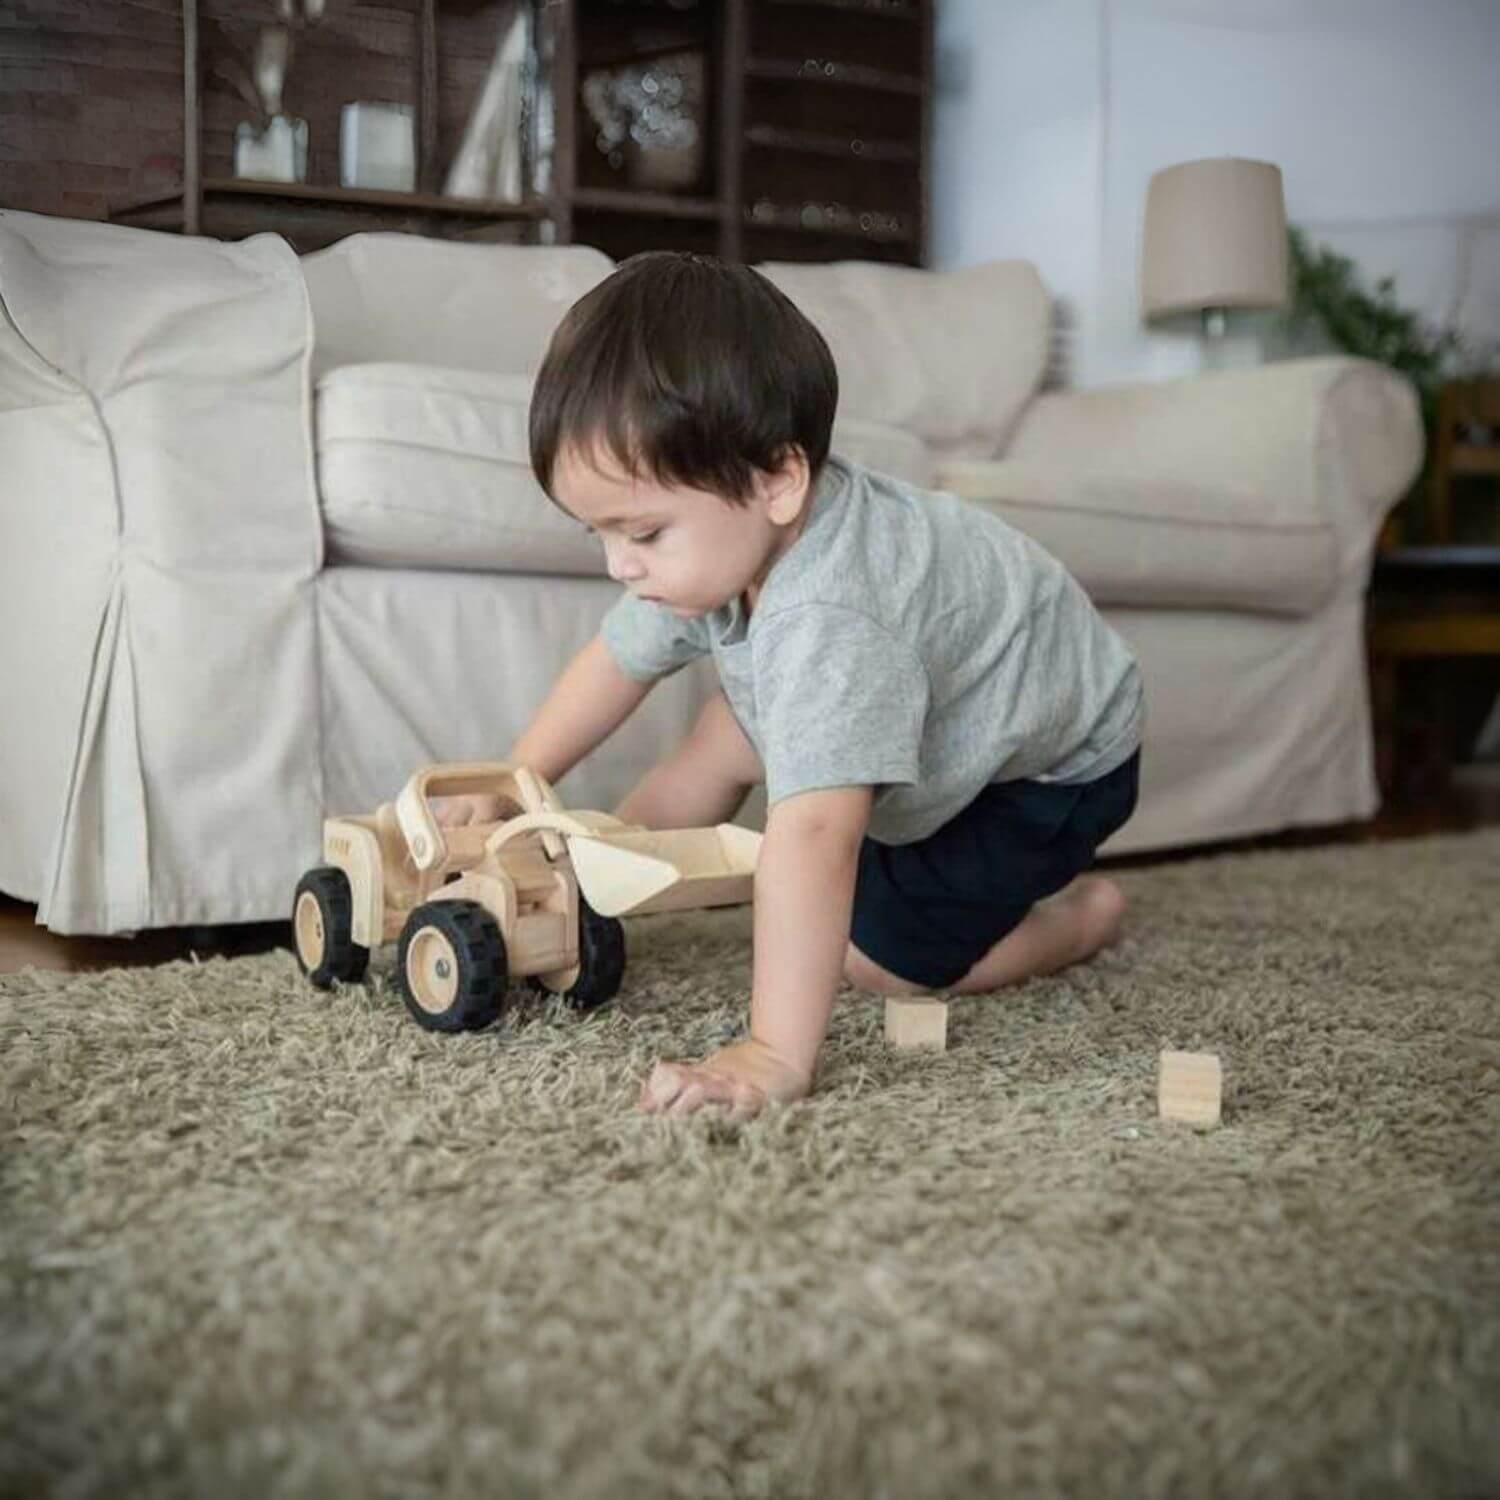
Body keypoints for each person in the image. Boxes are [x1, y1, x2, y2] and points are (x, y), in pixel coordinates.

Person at [442, 250, 1144, 1121]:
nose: (621, 564)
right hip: (940, 700)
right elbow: (615, 662)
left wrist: (772, 1051)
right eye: (601, 534)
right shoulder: (718, 541)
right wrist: (514, 784)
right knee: (725, 732)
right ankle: (595, 873)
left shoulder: (833, 617)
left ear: (778, 480)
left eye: (645, 533)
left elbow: (813, 836)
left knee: (879, 960)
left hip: (1048, 771)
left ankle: (1080, 918)